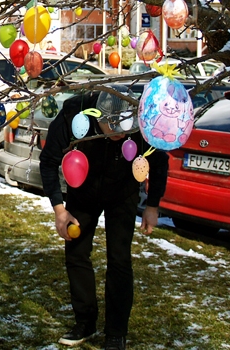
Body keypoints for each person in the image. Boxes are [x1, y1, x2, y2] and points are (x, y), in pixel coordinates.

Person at [39, 86, 168, 350]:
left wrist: (153, 205)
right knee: (76, 253)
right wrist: (59, 209)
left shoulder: (140, 120)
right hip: (82, 190)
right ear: (98, 118)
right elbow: (49, 160)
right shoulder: (74, 115)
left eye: (126, 129)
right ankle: (85, 321)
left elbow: (160, 161)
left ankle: (116, 332)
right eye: (114, 129)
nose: (121, 135)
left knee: (119, 259)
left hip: (123, 191)